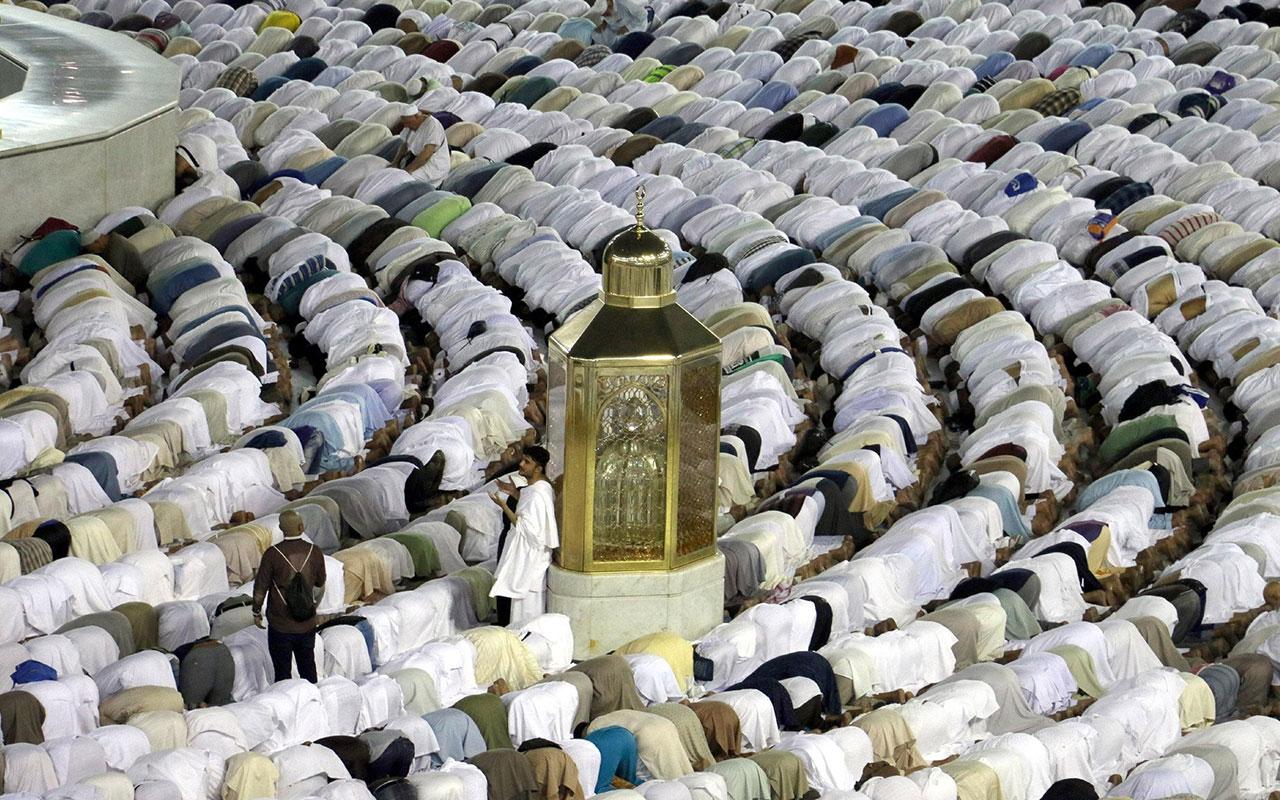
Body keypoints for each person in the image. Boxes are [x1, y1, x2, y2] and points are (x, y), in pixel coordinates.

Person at [252, 510, 326, 683]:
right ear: (301, 527)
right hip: (307, 621)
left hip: (280, 623)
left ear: (280, 528)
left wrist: (256, 612)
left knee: (282, 673)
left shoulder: (272, 554)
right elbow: (320, 581)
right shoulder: (314, 551)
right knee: (308, 668)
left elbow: (260, 588)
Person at [490, 445, 559, 626]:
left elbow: (529, 529)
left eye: (527, 462)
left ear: (538, 468)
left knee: (526, 608)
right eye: (523, 459)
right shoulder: (540, 486)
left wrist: (504, 506)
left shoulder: (537, 493)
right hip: (528, 554)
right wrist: (514, 493)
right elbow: (533, 512)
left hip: (530, 558)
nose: (521, 464)